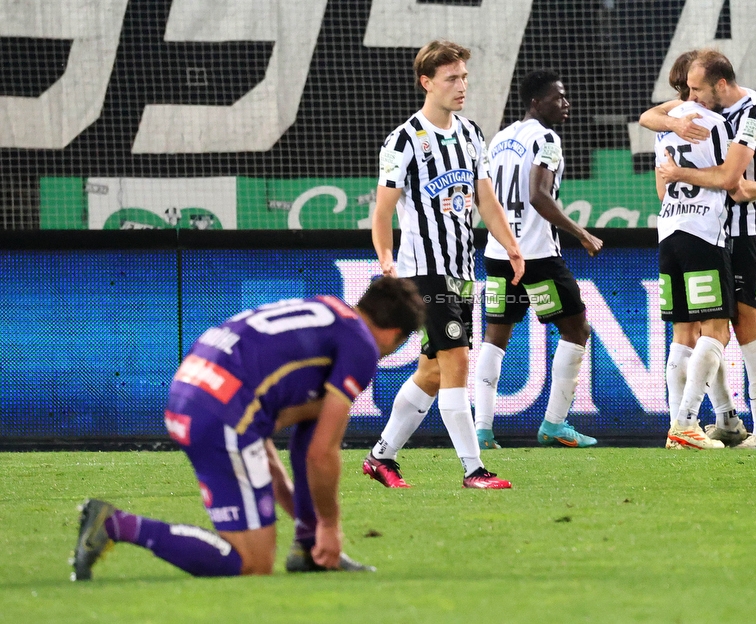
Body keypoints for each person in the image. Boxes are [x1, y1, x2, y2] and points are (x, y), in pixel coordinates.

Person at [71, 277, 427, 581]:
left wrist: (310, 526)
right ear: (396, 334)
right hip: (221, 410)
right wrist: (331, 527)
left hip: (191, 390)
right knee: (251, 562)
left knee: (314, 413)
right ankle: (116, 524)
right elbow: (322, 453)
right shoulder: (362, 345)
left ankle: (306, 549)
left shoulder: (328, 309)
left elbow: (266, 430)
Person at [366, 39, 525, 489]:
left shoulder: (472, 133)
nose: (461, 86)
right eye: (452, 78)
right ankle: (474, 469)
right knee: (456, 361)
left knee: (433, 371)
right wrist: (385, 258)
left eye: (464, 77)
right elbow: (381, 211)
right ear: (427, 82)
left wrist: (511, 245)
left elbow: (485, 198)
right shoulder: (403, 140)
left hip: (461, 270)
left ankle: (382, 456)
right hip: (424, 272)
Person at [654, 49, 756, 450]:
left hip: (742, 232)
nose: (690, 98)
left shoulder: (753, 114)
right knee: (709, 326)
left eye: (696, 89)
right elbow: (648, 116)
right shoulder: (702, 111)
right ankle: (717, 421)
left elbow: (733, 182)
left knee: (742, 326)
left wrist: (678, 173)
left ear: (720, 85)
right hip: (708, 231)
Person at [473, 70, 603, 450]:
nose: (566, 104)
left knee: (495, 340)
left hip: (499, 253)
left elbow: (484, 196)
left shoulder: (499, 139)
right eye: (558, 97)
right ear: (535, 102)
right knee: (576, 331)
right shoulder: (547, 139)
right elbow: (538, 196)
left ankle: (482, 431)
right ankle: (555, 425)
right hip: (537, 256)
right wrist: (582, 234)